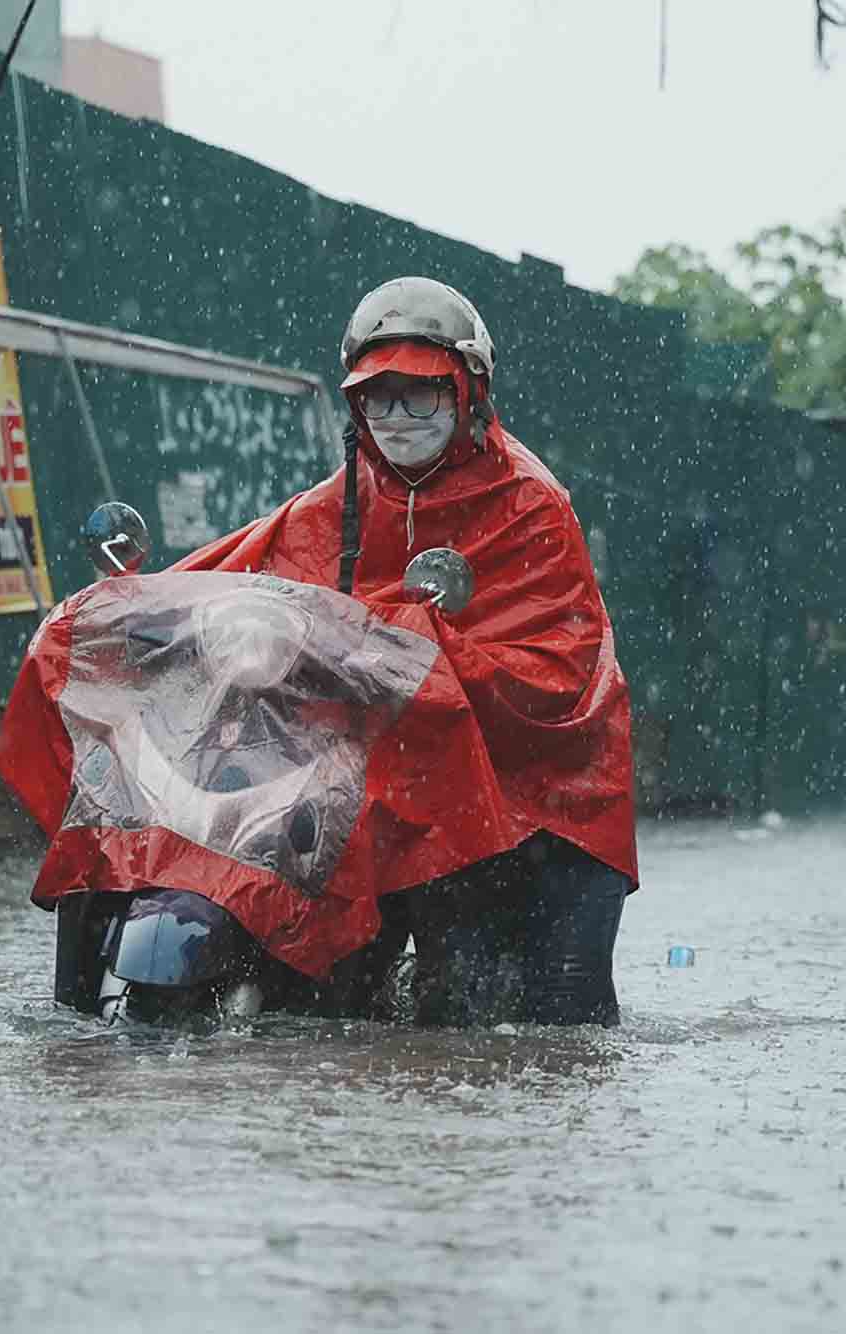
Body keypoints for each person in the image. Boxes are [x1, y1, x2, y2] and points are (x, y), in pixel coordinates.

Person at [167, 276, 639, 1024]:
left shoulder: (532, 506)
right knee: (321, 1008)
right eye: (377, 397)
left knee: (554, 1022)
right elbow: (244, 580)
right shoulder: (340, 503)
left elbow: (553, 679)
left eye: (420, 395)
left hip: (547, 795)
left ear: (467, 394)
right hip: (391, 786)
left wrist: (414, 640)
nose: (397, 417)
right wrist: (132, 616)